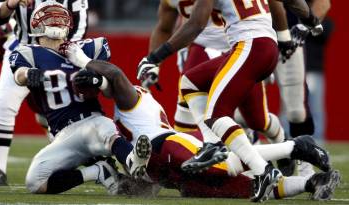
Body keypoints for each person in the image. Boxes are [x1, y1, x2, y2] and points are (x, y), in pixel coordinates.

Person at [65, 50, 338, 201]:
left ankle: (296, 146)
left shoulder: (131, 98)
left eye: (92, 85)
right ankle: (312, 183)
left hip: (168, 145)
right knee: (247, 189)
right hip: (170, 177)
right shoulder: (108, 123)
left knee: (226, 164)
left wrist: (77, 57)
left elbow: (114, 74)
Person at [137, 0, 321, 201]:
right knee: (190, 82)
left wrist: (155, 57)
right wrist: (311, 20)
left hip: (248, 47)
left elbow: (195, 24)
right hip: (254, 46)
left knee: (218, 117)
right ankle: (213, 144)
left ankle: (266, 169)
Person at [9, 1, 152, 194]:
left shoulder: (86, 48)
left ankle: (133, 162)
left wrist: (99, 81)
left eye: (59, 18)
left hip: (92, 122)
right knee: (35, 183)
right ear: (36, 25)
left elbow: (110, 91)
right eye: (50, 18)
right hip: (63, 135)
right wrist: (28, 74)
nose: (56, 22)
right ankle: (99, 172)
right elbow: (19, 75)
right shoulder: (29, 53)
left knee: (106, 129)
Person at [0, 0, 89, 185]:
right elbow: (0, 18)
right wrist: (10, 4)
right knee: (3, 104)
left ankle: (86, 160)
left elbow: (79, 33)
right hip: (22, 50)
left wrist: (55, 58)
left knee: (63, 113)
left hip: (58, 54)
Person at [273, 0, 331, 177]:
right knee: (243, 111)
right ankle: (277, 150)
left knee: (297, 111)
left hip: (289, 40)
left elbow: (323, 3)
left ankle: (306, 169)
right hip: (248, 38)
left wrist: (304, 26)